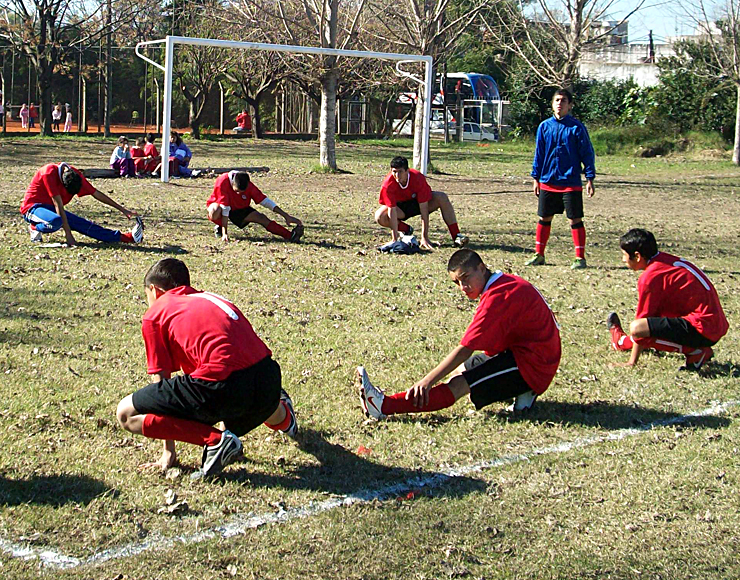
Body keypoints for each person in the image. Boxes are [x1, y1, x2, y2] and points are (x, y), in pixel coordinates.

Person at [116, 258, 298, 477]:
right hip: (268, 380)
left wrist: (168, 452)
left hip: (228, 387)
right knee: (246, 391)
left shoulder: (157, 313)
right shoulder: (210, 298)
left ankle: (217, 443)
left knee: (126, 413)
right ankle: (284, 415)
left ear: (154, 290)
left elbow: (162, 385)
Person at [358, 249, 561, 420]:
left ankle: (382, 406)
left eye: (465, 278)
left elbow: (465, 349)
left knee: (459, 384)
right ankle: (523, 392)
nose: (463, 288)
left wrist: (427, 381)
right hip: (530, 354)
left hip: (533, 365)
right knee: (462, 371)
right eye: (457, 283)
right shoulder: (504, 282)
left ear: (481, 268)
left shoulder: (497, 296)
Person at [607, 228, 728, 371]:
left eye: (624, 255)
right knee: (652, 324)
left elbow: (641, 327)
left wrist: (631, 362)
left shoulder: (650, 277)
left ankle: (696, 352)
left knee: (638, 328)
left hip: (703, 327)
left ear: (637, 256)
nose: (623, 260)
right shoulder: (664, 261)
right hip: (714, 323)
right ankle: (621, 341)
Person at [526, 89, 596, 270]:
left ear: (570, 105)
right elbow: (539, 154)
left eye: (563, 100)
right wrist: (536, 177)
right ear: (552, 104)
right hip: (548, 180)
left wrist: (589, 178)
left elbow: (587, 153)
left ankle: (580, 257)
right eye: (557, 100)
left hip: (570, 182)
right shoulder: (544, 127)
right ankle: (539, 254)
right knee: (544, 217)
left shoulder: (576, 128)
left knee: (575, 219)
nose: (560, 103)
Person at [20, 162, 144, 246]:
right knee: (56, 221)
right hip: (33, 208)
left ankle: (126, 238)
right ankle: (34, 227)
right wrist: (68, 235)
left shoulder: (75, 175)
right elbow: (58, 205)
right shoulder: (48, 173)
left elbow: (96, 193)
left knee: (83, 224)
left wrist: (123, 210)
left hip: (52, 210)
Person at [374, 156, 468, 250]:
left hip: (418, 204)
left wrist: (424, 237)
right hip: (401, 208)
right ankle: (406, 230)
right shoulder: (387, 185)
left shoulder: (417, 178)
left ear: (407, 171)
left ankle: (457, 236)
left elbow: (424, 209)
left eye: (400, 172)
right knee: (380, 216)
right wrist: (394, 239)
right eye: (394, 171)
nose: (397, 175)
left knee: (441, 197)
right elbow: (392, 210)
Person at [206, 171, 304, 243]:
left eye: (242, 192)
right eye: (237, 191)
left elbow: (265, 201)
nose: (239, 194)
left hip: (239, 209)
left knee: (262, 218)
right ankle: (219, 226)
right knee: (215, 210)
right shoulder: (222, 181)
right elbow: (225, 208)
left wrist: (285, 215)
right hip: (219, 205)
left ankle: (290, 236)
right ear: (232, 183)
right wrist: (225, 233)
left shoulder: (249, 186)